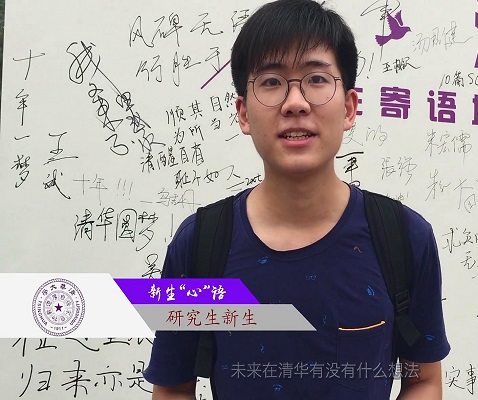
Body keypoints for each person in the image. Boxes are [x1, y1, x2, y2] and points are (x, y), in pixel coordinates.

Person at [143, 0, 450, 398]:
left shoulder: (403, 237)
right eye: (271, 82)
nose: (295, 103)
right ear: (243, 113)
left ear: (349, 108)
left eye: (316, 79)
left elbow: (421, 378)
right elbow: (174, 388)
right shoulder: (201, 243)